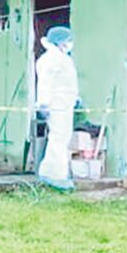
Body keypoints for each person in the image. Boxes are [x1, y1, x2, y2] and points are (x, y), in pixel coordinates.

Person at [35, 25, 79, 190]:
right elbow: (45, 84)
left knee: (61, 138)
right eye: (68, 41)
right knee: (59, 138)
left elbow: (66, 83)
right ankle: (57, 176)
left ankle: (48, 171)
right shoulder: (50, 59)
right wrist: (44, 104)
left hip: (64, 104)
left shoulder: (61, 58)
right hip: (56, 104)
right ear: (60, 42)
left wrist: (75, 98)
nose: (69, 44)